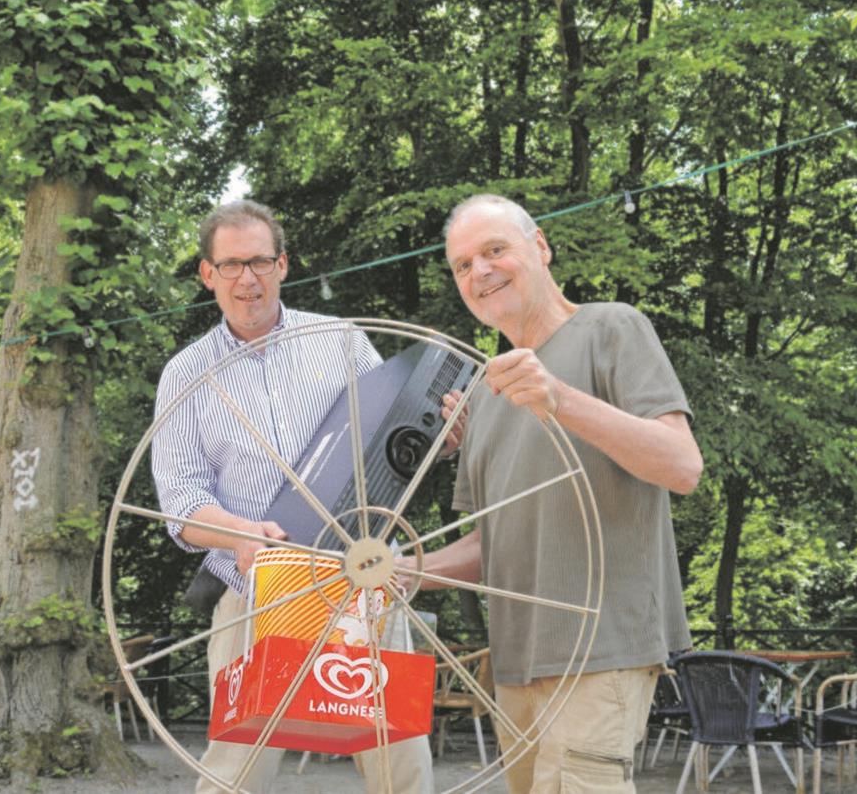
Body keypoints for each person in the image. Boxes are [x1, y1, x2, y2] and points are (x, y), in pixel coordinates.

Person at [420, 194, 704, 792]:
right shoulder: (484, 394)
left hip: (602, 648)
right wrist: (400, 571)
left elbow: (682, 466)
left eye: (495, 250)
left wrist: (560, 399)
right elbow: (491, 544)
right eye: (463, 265)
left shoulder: (611, 328)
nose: (480, 271)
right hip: (515, 665)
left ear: (541, 247)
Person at [151, 200, 435, 794]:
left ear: (282, 265)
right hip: (255, 593)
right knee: (236, 772)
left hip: (360, 582)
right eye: (231, 265)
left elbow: (393, 435)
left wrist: (439, 435)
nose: (247, 279)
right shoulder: (186, 373)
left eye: (259, 262)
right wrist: (238, 532)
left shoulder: (340, 341)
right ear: (208, 274)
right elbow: (180, 498)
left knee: (400, 763)